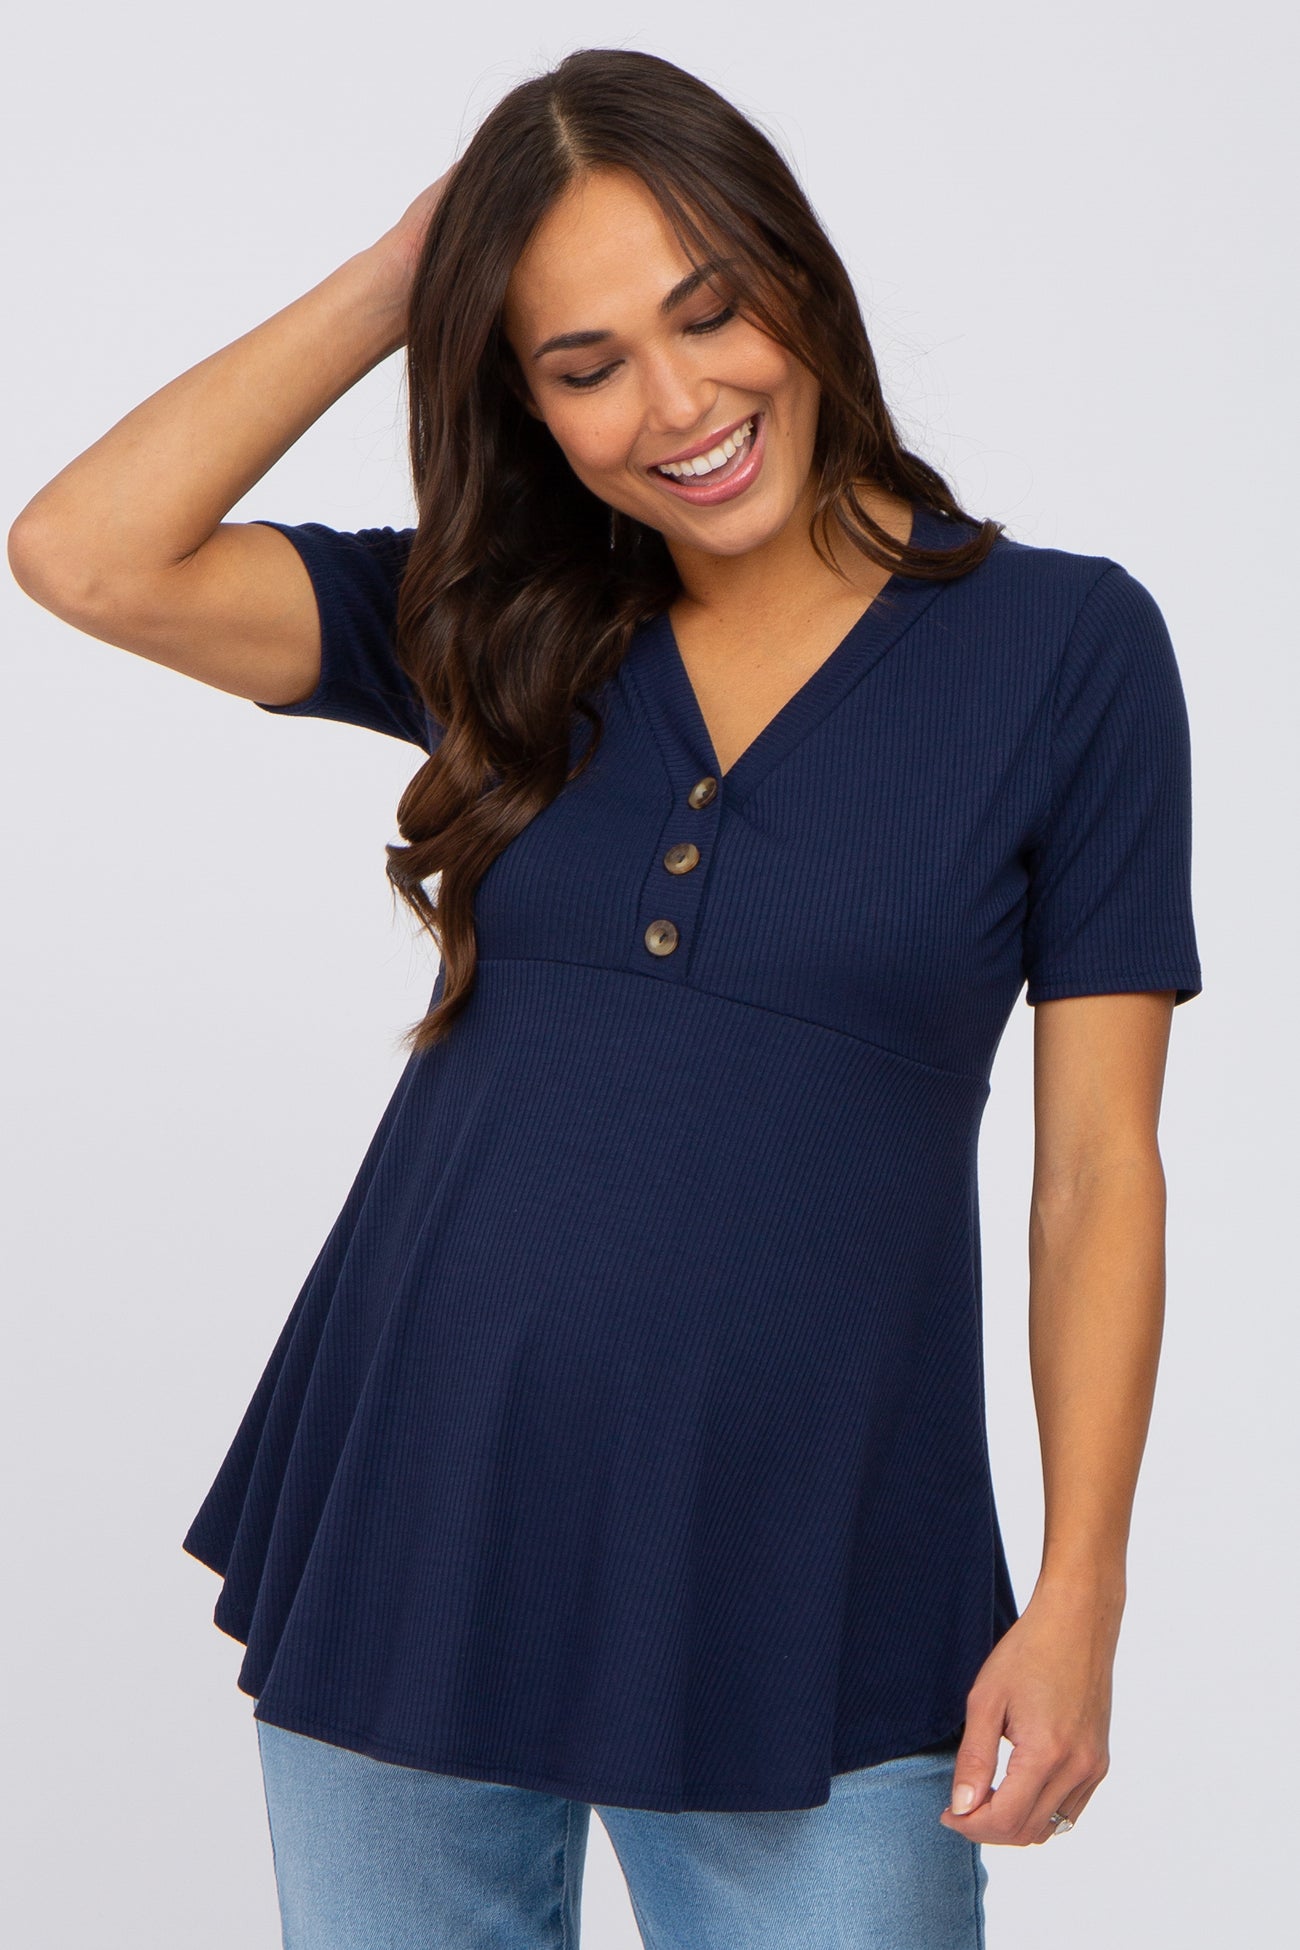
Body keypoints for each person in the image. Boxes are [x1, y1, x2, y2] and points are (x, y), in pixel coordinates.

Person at [8, 46, 1202, 1950]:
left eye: (711, 313)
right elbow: (83, 553)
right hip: (417, 1520)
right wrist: (409, 272)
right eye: (585, 365)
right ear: (523, 398)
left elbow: (1096, 1173)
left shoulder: (1070, 650)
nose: (680, 405)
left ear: (798, 278)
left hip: (817, 1578)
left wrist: (1081, 1596)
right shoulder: (501, 624)